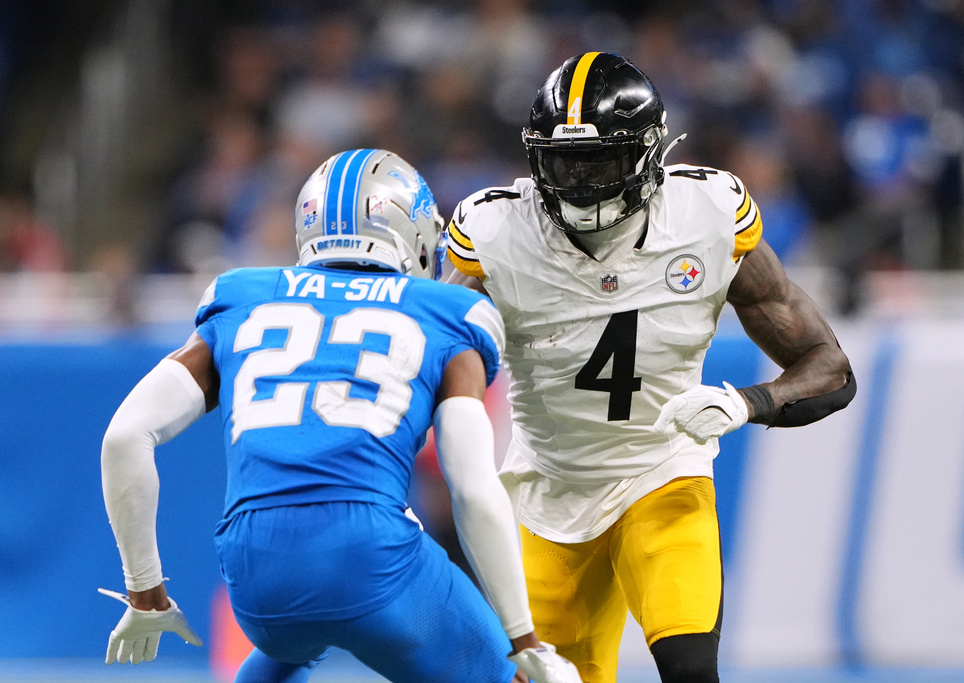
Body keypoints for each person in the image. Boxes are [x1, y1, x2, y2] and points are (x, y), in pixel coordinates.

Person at [445, 53, 856, 683]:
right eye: (563, 162)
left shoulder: (706, 215)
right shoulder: (496, 231)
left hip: (661, 472)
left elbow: (830, 369)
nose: (579, 182)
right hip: (548, 493)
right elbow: (430, 358)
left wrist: (746, 403)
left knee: (690, 669)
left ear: (647, 155)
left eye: (598, 160)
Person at [99, 148, 583, 683]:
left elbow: (124, 436)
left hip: (253, 568)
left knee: (298, 634)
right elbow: (471, 488)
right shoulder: (448, 313)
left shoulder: (242, 296)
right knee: (513, 674)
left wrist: (145, 591)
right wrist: (524, 637)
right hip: (371, 553)